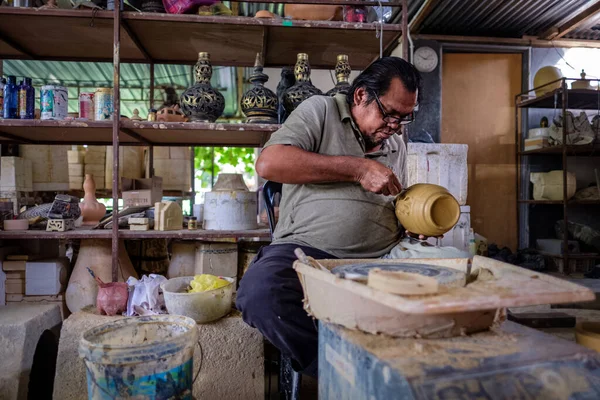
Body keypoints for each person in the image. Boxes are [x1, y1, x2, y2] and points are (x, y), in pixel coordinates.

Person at [236, 57, 466, 378]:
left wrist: (412, 225)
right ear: (361, 97)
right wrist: (358, 168)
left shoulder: (395, 142)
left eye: (405, 117)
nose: (396, 126)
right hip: (308, 253)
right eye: (390, 114)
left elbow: (390, 200)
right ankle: (342, 374)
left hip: (384, 257)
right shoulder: (321, 110)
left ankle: (433, 374)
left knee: (465, 275)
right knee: (259, 293)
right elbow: (270, 164)